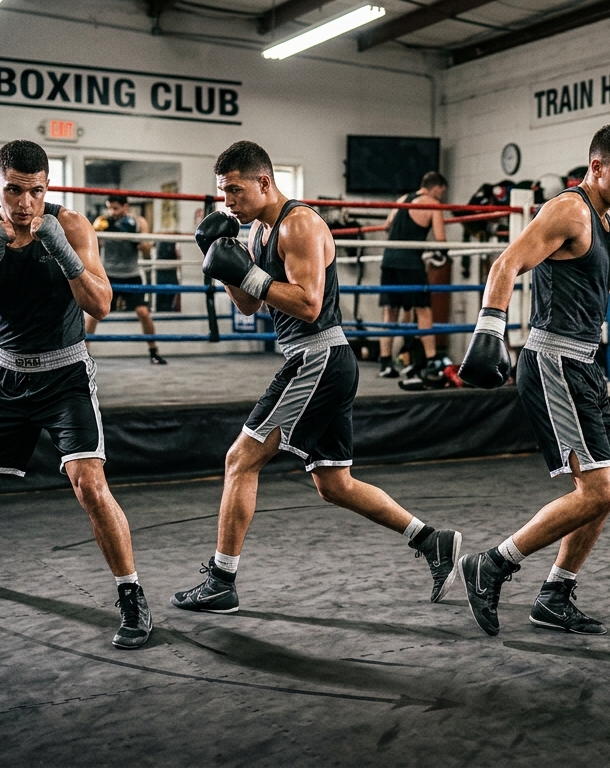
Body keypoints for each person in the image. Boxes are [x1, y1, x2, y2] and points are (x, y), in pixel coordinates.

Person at [171, 141, 461, 614]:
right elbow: (249, 304)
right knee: (334, 484)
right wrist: (221, 263)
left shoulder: (299, 224)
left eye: (235, 190)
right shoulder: (259, 232)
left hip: (317, 357)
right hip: (316, 359)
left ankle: (221, 582)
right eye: (223, 192)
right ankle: (432, 541)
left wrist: (249, 274)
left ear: (264, 181)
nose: (228, 201)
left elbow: (308, 304)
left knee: (240, 459)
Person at [0, 140, 151, 650]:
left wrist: (62, 251)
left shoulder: (73, 226)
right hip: (8, 376)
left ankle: (131, 593)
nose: (26, 202)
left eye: (36, 191)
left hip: (65, 374)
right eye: (14, 190)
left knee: (89, 485)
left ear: (48, 187)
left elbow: (103, 305)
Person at [454, 124, 610, 636]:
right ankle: (491, 565)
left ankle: (555, 594)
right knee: (596, 491)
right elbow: (507, 263)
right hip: (554, 360)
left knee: (609, 488)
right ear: (597, 167)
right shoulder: (569, 210)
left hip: (585, 363)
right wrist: (490, 328)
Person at [377, 172, 447, 383]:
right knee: (423, 310)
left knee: (390, 312)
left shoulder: (402, 199)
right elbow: (441, 240)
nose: (441, 196)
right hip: (410, 262)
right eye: (441, 192)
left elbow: (387, 226)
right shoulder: (433, 204)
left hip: (389, 259)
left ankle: (386, 362)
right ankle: (431, 359)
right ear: (436, 188)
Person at [85, 194, 165, 364]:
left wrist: (133, 236)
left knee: (143, 312)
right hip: (108, 275)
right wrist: (100, 235)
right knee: (94, 313)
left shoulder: (139, 222)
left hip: (131, 275)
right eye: (109, 208)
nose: (112, 212)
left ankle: (154, 352)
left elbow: (146, 250)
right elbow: (91, 247)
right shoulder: (102, 221)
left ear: (125, 206)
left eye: (115, 208)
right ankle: (83, 353)